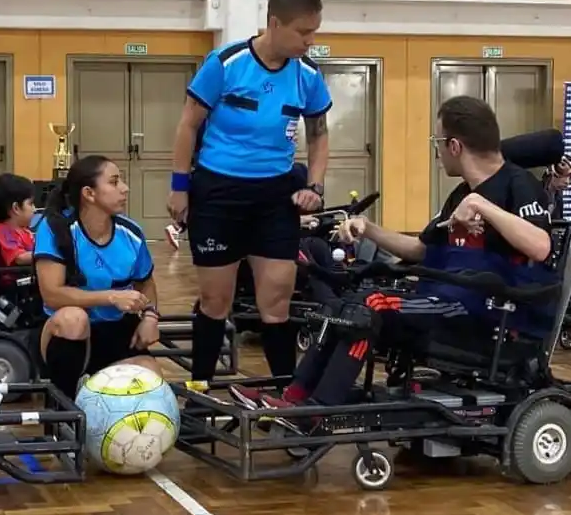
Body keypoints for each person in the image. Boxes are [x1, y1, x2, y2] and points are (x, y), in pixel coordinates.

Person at [231, 96, 554, 422]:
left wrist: (483, 206)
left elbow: (540, 246)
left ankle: (319, 411)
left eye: (437, 142)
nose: (437, 151)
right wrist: (369, 229)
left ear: (454, 145)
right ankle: (294, 397)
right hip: (448, 299)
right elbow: (421, 250)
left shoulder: (517, 184)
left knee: (371, 307)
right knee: (339, 305)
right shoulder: (460, 194)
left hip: (487, 314)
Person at [167, 0, 331, 390]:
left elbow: (319, 133)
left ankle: (285, 397)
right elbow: (187, 125)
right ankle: (199, 395)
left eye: (315, 32)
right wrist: (179, 186)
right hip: (218, 193)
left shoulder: (308, 76)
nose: (310, 41)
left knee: (276, 302)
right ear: (275, 23)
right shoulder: (226, 63)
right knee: (215, 302)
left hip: (275, 197)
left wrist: (315, 184)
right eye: (302, 32)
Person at [34, 156, 161, 399]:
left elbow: (146, 282)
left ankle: (95, 392)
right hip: (67, 334)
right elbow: (52, 295)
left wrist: (151, 317)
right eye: (114, 182)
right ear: (89, 193)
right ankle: (63, 409)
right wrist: (111, 297)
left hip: (115, 331)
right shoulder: (56, 228)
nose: (125, 188)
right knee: (74, 319)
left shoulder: (131, 233)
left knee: (151, 377)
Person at [0, 173, 37, 267]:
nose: (34, 209)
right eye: (30, 204)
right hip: (17, 279)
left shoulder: (23, 231)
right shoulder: (3, 232)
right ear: (16, 208)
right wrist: (48, 256)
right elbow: (20, 258)